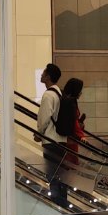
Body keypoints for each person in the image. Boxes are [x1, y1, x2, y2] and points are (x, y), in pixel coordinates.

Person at [35, 63, 70, 206]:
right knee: (61, 176)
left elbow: (44, 118)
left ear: (48, 76)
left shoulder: (49, 95)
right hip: (62, 140)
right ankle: (64, 204)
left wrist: (39, 133)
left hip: (50, 140)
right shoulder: (60, 94)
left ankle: (57, 206)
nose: (42, 75)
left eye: (43, 73)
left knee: (53, 176)